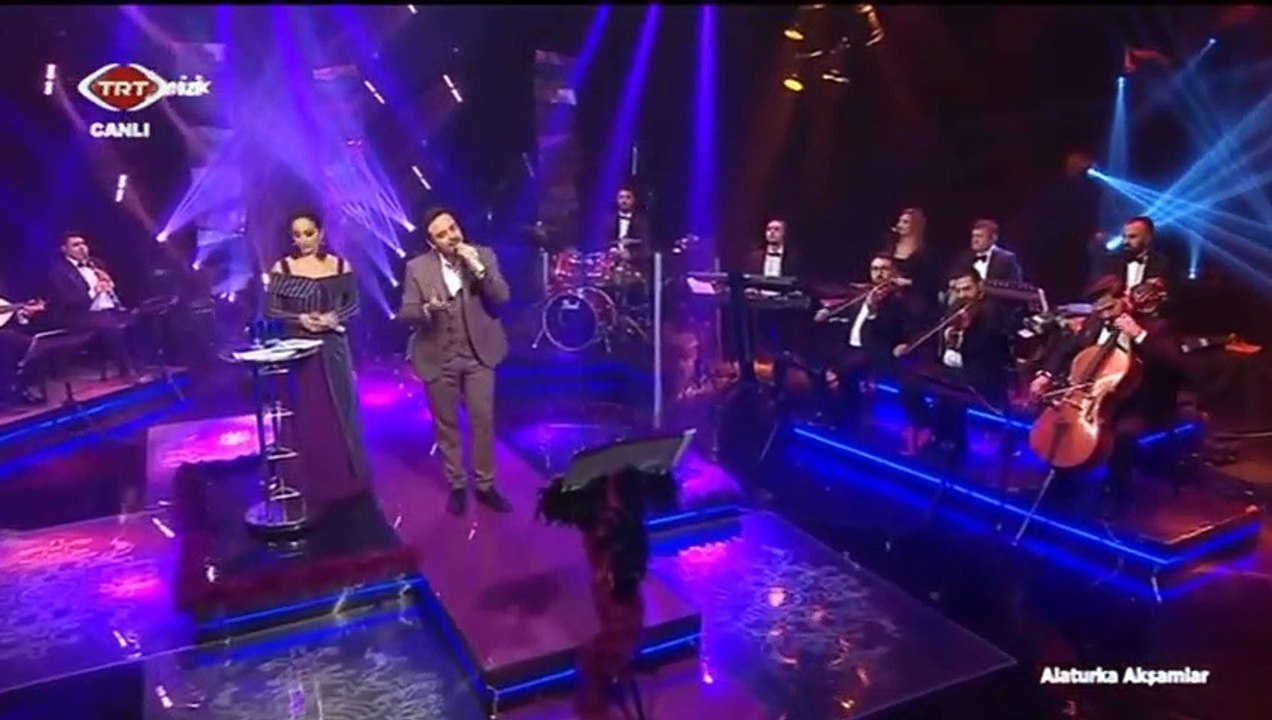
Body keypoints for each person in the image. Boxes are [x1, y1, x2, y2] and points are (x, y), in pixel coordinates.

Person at [1028, 274, 1186, 518]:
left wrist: (1138, 335)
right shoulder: (1096, 321)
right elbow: (1067, 349)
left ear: (1125, 299)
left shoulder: (1156, 326)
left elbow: (1175, 365)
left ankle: (1118, 495)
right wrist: (1045, 375)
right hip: (1095, 397)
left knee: (1122, 434)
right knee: (1060, 421)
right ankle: (1060, 482)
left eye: (1110, 308)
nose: (1105, 315)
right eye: (1099, 310)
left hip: (1139, 401)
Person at [398, 206, 513, 516]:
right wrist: (426, 310)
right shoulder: (417, 268)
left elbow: (502, 297)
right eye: (442, 234)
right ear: (432, 242)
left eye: (453, 228)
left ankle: (486, 485)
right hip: (438, 355)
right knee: (447, 424)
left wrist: (478, 268)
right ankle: (457, 485)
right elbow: (406, 312)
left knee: (482, 419)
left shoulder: (483, 255)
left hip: (479, 353)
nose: (451, 236)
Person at [265, 209, 373, 518]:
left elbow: (353, 305)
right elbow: (272, 310)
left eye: (309, 233)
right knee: (305, 414)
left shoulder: (339, 266)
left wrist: (333, 317)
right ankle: (307, 482)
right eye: (297, 235)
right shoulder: (284, 268)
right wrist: (300, 318)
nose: (303, 240)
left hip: (334, 349)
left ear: (321, 233)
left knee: (340, 411)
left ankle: (347, 482)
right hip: (299, 351)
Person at [907, 267, 1013, 457]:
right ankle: (932, 429)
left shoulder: (991, 311)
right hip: (950, 367)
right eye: (958, 290)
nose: (962, 295)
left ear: (980, 286)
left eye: (967, 289)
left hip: (979, 370)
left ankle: (951, 443)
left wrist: (966, 333)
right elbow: (939, 336)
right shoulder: (956, 306)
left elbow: (984, 351)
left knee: (952, 397)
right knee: (910, 382)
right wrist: (946, 337)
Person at [810, 253, 911, 429]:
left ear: (893, 272)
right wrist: (828, 313)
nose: (879, 273)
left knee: (847, 370)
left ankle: (847, 419)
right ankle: (826, 412)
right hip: (850, 346)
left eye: (884, 269)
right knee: (815, 364)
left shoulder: (898, 300)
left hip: (874, 349)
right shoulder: (865, 293)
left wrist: (873, 313)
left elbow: (889, 331)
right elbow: (847, 312)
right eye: (875, 269)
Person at [46, 233, 136, 379]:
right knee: (110, 323)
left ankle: (146, 363)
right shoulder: (59, 271)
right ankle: (127, 369)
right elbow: (66, 299)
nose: (82, 248)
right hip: (79, 314)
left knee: (139, 316)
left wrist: (110, 284)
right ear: (64, 249)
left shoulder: (97, 263)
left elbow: (114, 289)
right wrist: (94, 292)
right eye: (75, 245)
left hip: (109, 308)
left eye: (83, 244)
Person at [954, 219, 1024, 283]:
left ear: (993, 238)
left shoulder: (1007, 259)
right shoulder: (964, 258)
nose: (975, 240)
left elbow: (1014, 286)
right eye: (973, 236)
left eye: (979, 236)